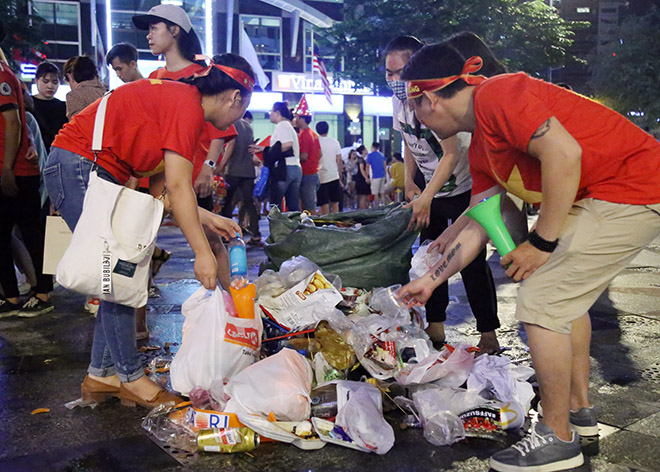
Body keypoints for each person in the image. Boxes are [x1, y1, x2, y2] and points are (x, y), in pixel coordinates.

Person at [397, 40, 660, 472]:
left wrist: (542, 243)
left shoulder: (497, 93)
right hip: (609, 193)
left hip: (631, 189)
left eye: (415, 111)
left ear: (426, 98)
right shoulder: (480, 145)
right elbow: (482, 221)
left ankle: (557, 439)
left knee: (543, 299)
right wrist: (431, 281)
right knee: (562, 299)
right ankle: (578, 416)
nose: (418, 124)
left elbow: (564, 153)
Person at [43, 55, 252, 409]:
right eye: (243, 110)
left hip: (83, 168)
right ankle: (131, 377)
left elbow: (163, 192)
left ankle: (102, 374)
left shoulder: (179, 103)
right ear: (235, 98)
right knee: (117, 276)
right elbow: (178, 186)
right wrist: (202, 253)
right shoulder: (186, 108)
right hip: (79, 167)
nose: (238, 118)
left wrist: (206, 218)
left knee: (115, 276)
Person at [386, 34, 501, 351]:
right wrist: (411, 183)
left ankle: (488, 332)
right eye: (388, 73)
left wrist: (426, 196)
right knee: (430, 253)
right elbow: (408, 143)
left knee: (471, 259)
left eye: (399, 73)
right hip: (429, 190)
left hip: (462, 187)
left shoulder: (433, 101)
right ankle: (435, 327)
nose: (394, 80)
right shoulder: (401, 103)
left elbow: (450, 155)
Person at [0, 41, 54, 318]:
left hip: (17, 172)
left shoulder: (2, 77)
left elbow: (14, 123)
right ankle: (11, 296)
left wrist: (7, 168)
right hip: (12, 169)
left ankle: (42, 292)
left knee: (32, 234)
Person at [218, 117, 262, 245]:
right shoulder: (248, 126)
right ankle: (256, 234)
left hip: (233, 170)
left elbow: (231, 145)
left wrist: (221, 165)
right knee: (249, 203)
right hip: (248, 171)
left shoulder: (230, 123)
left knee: (226, 203)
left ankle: (227, 233)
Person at [262, 101, 301, 211]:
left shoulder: (282, 125)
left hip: (285, 169)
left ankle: (277, 228)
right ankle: (296, 228)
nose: (270, 114)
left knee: (275, 205)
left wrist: (270, 153)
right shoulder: (288, 126)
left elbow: (288, 144)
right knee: (293, 206)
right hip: (295, 168)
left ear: (277, 112)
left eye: (271, 111)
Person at [31, 62, 67, 152]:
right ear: (36, 80)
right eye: (45, 81)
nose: (50, 86)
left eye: (55, 82)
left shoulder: (64, 106)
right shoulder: (29, 104)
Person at [295, 100, 321, 214]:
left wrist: (294, 157)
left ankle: (313, 228)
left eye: (297, 118)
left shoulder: (304, 134)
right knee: (308, 204)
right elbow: (320, 154)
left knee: (308, 205)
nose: (295, 120)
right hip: (314, 172)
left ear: (302, 119)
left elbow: (304, 156)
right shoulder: (313, 133)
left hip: (306, 174)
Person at [315, 121, 343, 215]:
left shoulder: (316, 141)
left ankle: (326, 224)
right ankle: (336, 222)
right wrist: (340, 175)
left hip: (320, 176)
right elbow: (339, 160)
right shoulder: (335, 142)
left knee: (323, 203)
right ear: (328, 129)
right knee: (335, 202)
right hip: (334, 175)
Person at [366, 142, 387, 206]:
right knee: (382, 193)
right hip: (383, 175)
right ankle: (384, 206)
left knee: (376, 194)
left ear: (372, 147)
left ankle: (377, 208)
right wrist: (385, 175)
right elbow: (384, 165)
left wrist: (367, 176)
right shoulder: (382, 155)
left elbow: (367, 166)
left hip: (375, 176)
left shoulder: (370, 155)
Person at [354, 145, 371, 209]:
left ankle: (361, 209)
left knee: (362, 196)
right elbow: (361, 169)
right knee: (363, 196)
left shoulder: (359, 159)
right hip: (362, 179)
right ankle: (362, 209)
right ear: (363, 151)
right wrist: (366, 178)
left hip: (359, 179)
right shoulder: (361, 160)